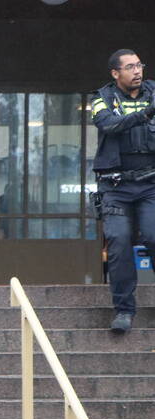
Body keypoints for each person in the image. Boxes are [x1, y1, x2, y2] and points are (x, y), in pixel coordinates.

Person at [89, 49, 155, 333]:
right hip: (115, 186)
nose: (137, 71)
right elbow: (108, 125)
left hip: (150, 185)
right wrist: (144, 115)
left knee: (154, 235)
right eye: (130, 67)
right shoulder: (100, 99)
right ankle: (124, 310)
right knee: (118, 241)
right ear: (115, 73)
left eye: (139, 65)